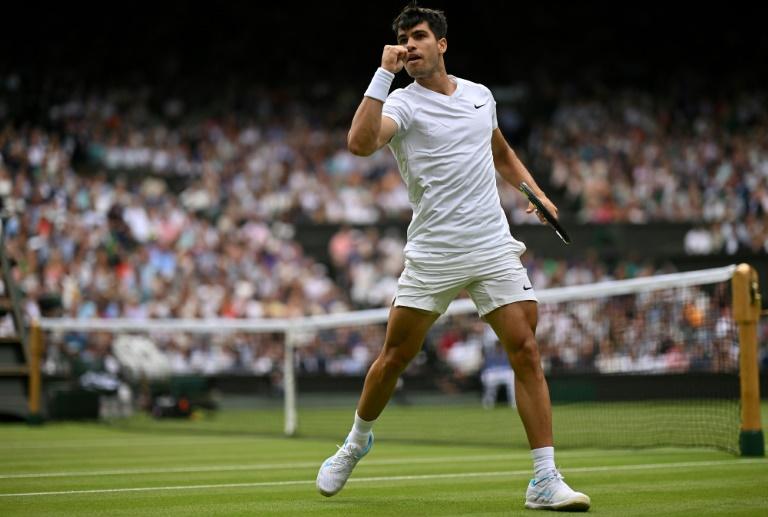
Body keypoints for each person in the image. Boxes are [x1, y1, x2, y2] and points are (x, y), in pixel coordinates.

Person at [316, 4, 590, 511]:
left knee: (525, 349)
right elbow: (358, 144)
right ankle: (355, 443)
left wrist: (535, 191)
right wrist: (382, 73)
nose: (409, 45)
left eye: (418, 36)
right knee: (395, 357)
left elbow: (500, 152)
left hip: (491, 245)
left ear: (442, 44)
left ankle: (544, 479)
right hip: (434, 252)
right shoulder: (402, 104)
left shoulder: (479, 96)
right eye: (402, 39)